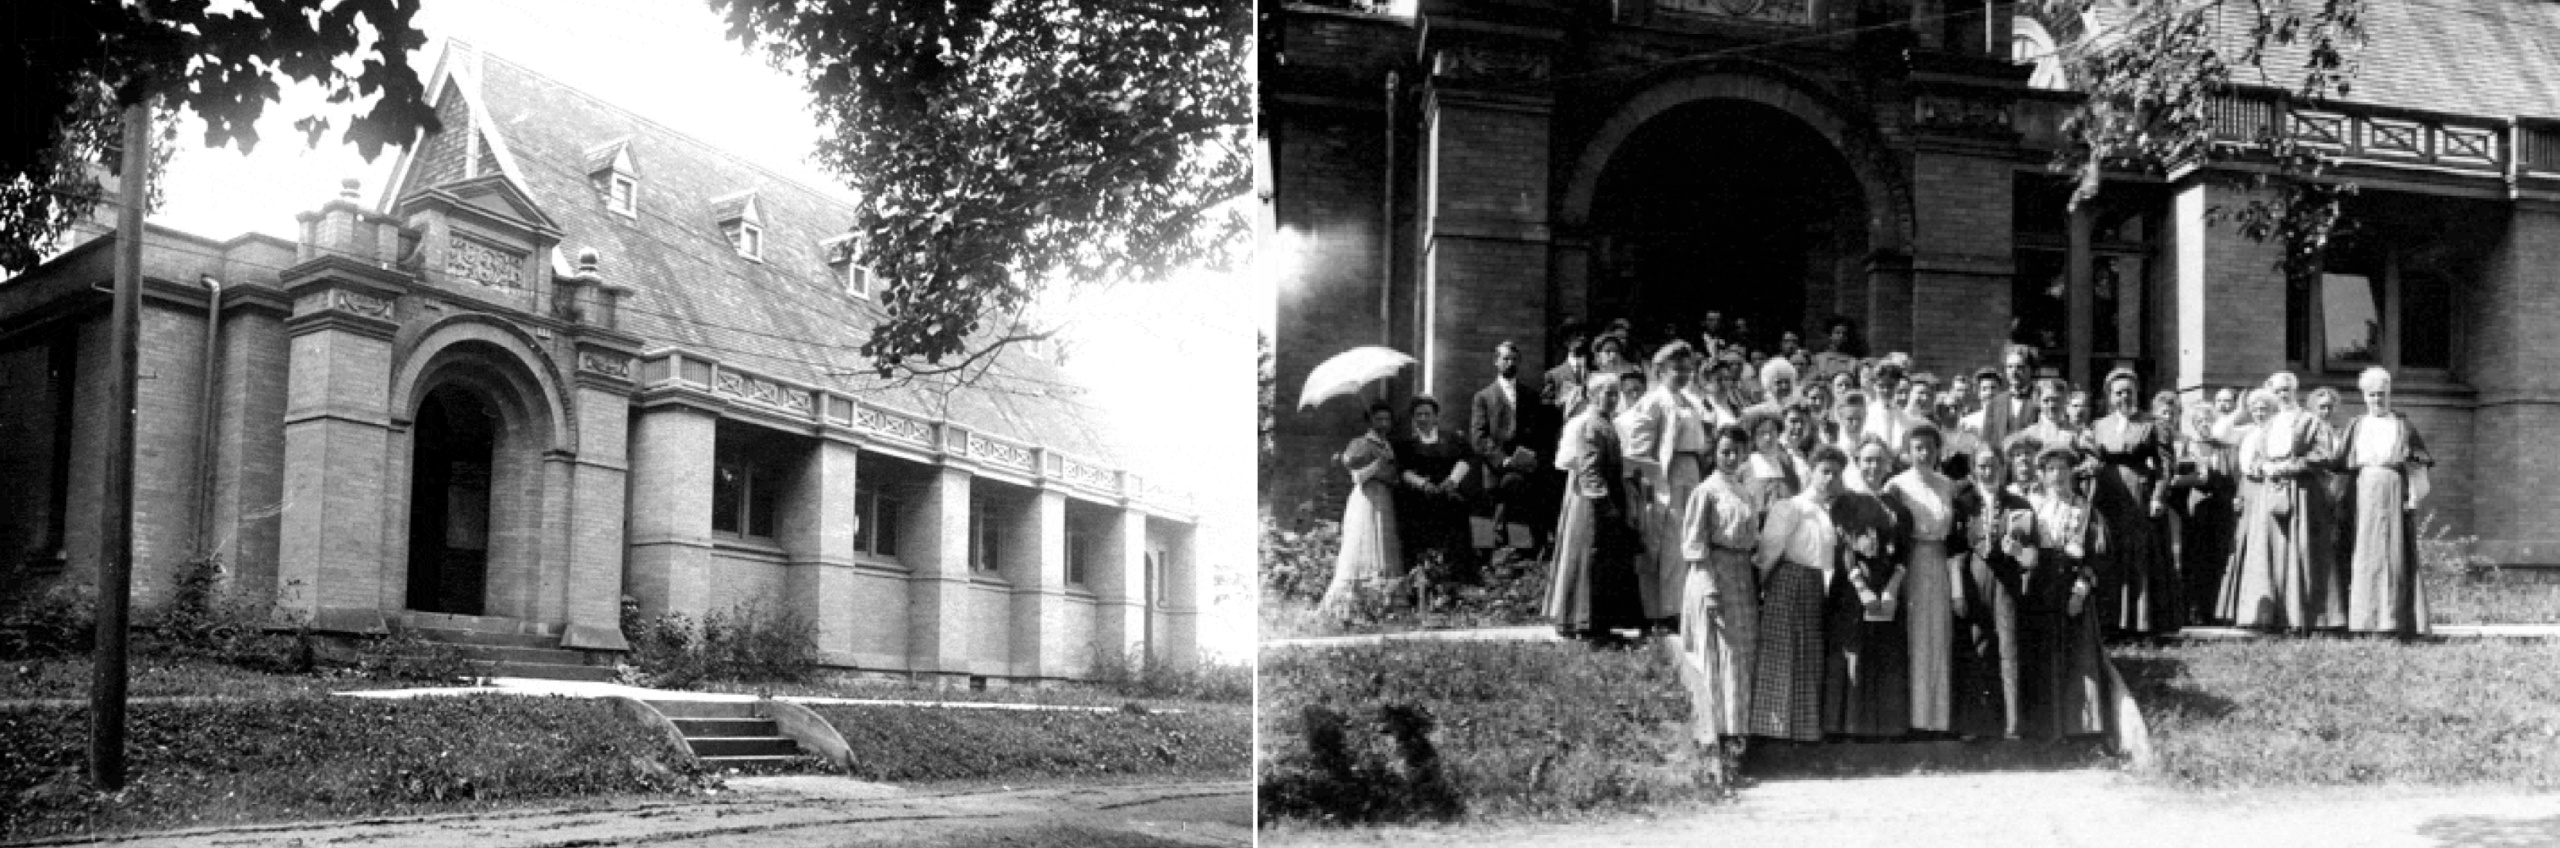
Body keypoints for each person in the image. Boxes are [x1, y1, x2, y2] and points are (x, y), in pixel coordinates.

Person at [2221, 372, 2339, 633]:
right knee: (2270, 549)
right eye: (2277, 391)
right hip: (2271, 493)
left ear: (2295, 391)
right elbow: (2254, 459)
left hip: (2303, 494)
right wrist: (2264, 466)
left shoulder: (2311, 421)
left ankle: (2303, 618)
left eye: (2287, 390)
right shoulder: (2267, 425)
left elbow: (2324, 454)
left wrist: (2291, 466)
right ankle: (2271, 616)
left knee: (2300, 548)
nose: (2282, 395)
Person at [1751, 444, 1849, 743]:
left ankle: (1802, 731)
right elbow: (1769, 551)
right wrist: (1764, 586)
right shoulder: (1790, 506)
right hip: (1788, 579)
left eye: (1836, 473)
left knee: (1808, 655)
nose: (1829, 479)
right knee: (1782, 652)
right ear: (1812, 471)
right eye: (1824, 471)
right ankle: (1772, 730)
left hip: (1815, 584)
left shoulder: (1832, 513)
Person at [1546, 373, 1647, 641]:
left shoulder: (1606, 423)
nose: (1614, 399)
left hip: (1607, 499)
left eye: (1616, 394)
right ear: (1592, 395)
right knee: (1591, 560)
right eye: (1608, 393)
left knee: (1604, 563)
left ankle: (1599, 623)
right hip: (1593, 504)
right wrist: (1604, 503)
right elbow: (1589, 470)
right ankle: (1584, 623)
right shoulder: (1590, 425)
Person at [1681, 424, 1762, 751]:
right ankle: (1715, 733)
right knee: (1718, 650)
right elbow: (1694, 543)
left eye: (1737, 452)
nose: (1731, 458)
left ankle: (1739, 729)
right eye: (1725, 451)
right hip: (1713, 572)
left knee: (1740, 652)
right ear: (1714, 453)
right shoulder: (1706, 491)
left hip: (1742, 574)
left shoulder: (1744, 492)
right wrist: (1709, 586)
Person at [2338, 367, 2435, 638]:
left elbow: (2418, 466)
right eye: (2372, 395)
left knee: (2394, 553)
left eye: (2382, 394)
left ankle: (2394, 620)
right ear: (2364, 396)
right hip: (2363, 491)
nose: (2377, 400)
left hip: (2394, 490)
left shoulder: (2402, 424)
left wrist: (2414, 495)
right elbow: (2340, 466)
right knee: (2364, 554)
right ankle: (2363, 621)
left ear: (2389, 393)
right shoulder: (2356, 425)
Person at [2021, 444, 2108, 739]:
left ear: (2072, 472)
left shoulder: (2084, 509)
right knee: (2042, 654)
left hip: (2071, 587)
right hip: (2040, 586)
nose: (2057, 475)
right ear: (2042, 475)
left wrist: (2080, 592)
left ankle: (2077, 727)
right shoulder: (2032, 504)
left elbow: (2094, 558)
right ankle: (2043, 728)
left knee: (2075, 656)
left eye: (2063, 468)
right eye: (2051, 469)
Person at [1826, 435, 1908, 739]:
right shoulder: (1846, 503)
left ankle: (1883, 730)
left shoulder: (1898, 507)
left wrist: (1892, 589)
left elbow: (1902, 551)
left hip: (1886, 589)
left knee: (1885, 654)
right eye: (1867, 460)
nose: (1873, 466)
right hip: (1852, 588)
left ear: (1889, 465)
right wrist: (1861, 587)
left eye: (1879, 460)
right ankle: (1851, 729)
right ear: (1858, 463)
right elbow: (1844, 546)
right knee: (1855, 650)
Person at [1628, 343, 1712, 635]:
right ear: (1660, 371)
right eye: (1678, 369)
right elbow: (1639, 449)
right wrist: (1646, 484)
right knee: (1667, 544)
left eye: (1688, 369)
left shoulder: (1689, 400)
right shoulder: (1654, 402)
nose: (1684, 375)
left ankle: (1682, 606)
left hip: (1692, 471)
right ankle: (1662, 612)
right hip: (1668, 475)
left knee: (1688, 540)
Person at [2088, 369, 2177, 639]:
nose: (2123, 397)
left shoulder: (2152, 424)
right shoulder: (2099, 426)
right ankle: (2111, 622)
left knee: (2139, 556)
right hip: (2106, 495)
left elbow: (2165, 465)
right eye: (2118, 392)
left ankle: (2141, 623)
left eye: (2129, 391)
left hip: (2139, 495)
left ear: (2137, 393)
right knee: (2109, 553)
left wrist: (2159, 496)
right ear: (2109, 396)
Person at [1884, 424, 1961, 734]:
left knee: (1939, 634)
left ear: (1937, 450)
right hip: (1911, 560)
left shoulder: (1948, 485)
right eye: (1917, 447)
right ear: (1908, 451)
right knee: (1915, 634)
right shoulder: (1896, 486)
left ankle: (1938, 719)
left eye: (1929, 447)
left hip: (1939, 560)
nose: (1924, 453)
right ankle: (1914, 719)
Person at [1949, 441, 2028, 739]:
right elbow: (1954, 551)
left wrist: (2020, 552)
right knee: (1975, 645)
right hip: (1973, 575)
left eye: (1993, 465)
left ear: (2003, 468)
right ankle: (1974, 723)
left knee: (2008, 647)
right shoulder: (1964, 503)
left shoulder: (2018, 504)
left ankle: (2012, 723)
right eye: (1981, 466)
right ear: (1973, 470)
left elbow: (2032, 554)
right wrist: (1957, 590)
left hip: (2006, 579)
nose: (1987, 471)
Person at [1318, 402, 1404, 621]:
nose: (1383, 423)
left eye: (1387, 419)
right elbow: (1356, 477)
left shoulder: (1388, 445)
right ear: (1370, 421)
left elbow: (1393, 475)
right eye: (1378, 419)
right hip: (1366, 499)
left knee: (1384, 545)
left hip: (1385, 499)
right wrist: (1376, 465)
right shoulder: (1360, 444)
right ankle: (1352, 607)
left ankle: (1385, 606)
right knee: (1365, 543)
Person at [1472, 341, 1548, 553]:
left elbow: (1539, 434)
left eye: (1514, 359)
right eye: (1505, 359)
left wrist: (1532, 458)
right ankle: (1492, 561)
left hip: (1524, 470)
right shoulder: (1484, 397)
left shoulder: (1530, 396)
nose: (1510, 363)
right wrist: (1502, 459)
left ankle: (1518, 561)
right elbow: (1478, 437)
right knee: (1494, 517)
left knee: (1520, 517)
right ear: (1496, 362)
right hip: (1495, 469)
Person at [1394, 396, 1476, 588]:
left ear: (1436, 417)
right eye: (1418, 415)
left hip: (1448, 495)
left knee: (1457, 517)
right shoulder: (1406, 445)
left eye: (1427, 414)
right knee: (1415, 527)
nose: (1423, 418)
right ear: (1413, 419)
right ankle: (1421, 582)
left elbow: (1466, 459)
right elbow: (1403, 470)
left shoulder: (1453, 439)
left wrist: (1452, 480)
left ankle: (1456, 580)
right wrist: (1423, 484)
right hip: (1420, 499)